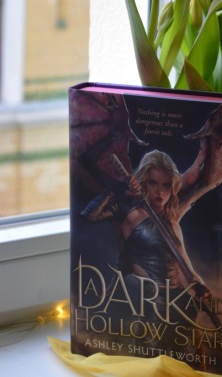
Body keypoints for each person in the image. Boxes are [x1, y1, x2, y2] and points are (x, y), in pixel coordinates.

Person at [81, 149, 210, 362]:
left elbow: (187, 268)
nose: (160, 192)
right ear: (143, 183)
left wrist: (203, 290)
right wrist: (117, 190)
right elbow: (90, 215)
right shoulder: (129, 214)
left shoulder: (173, 224)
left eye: (166, 185)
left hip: (181, 305)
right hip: (149, 305)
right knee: (150, 364)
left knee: (190, 365)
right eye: (153, 183)